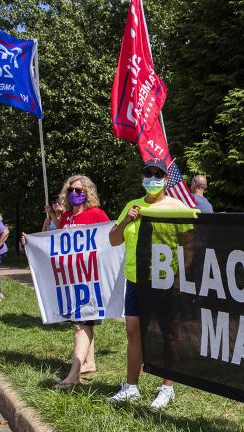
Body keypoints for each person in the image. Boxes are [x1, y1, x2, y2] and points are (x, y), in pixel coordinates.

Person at [107, 158, 191, 409]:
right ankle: (131, 386)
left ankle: (167, 387)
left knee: (168, 332)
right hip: (136, 279)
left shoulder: (177, 207)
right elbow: (114, 239)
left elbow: (189, 244)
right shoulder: (132, 206)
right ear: (142, 178)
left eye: (158, 174)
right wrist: (126, 221)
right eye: (148, 174)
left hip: (166, 280)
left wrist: (182, 277)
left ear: (166, 179)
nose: (152, 178)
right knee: (133, 330)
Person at [34, 175, 110, 389]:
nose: (75, 194)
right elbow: (57, 242)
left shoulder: (96, 214)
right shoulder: (66, 217)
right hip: (70, 281)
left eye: (79, 190)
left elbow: (108, 240)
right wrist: (31, 242)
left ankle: (73, 375)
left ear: (88, 193)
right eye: (71, 191)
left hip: (90, 279)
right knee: (83, 324)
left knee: (81, 325)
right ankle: (89, 362)